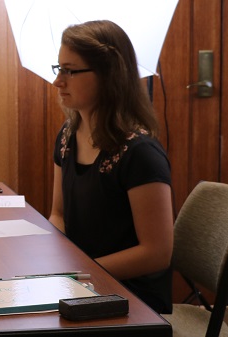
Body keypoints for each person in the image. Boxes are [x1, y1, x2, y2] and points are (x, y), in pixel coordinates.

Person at [48, 20, 174, 314]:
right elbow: (58, 213)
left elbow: (157, 253)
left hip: (132, 299)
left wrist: (80, 270)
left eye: (70, 70)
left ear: (108, 76)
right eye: (59, 69)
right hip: (83, 283)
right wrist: (56, 260)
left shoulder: (140, 153)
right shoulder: (68, 135)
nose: (58, 81)